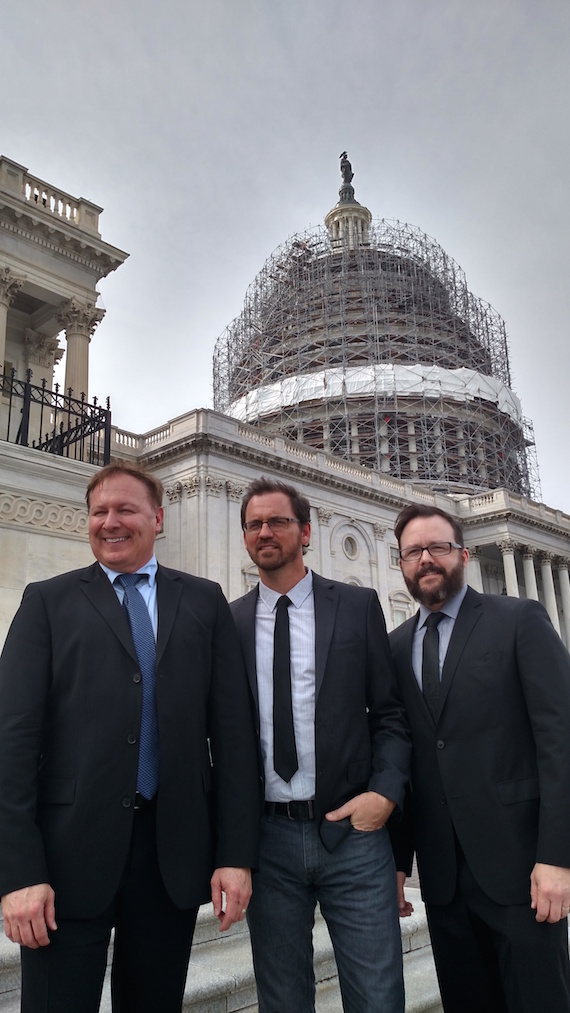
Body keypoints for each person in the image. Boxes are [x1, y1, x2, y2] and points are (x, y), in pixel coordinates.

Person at [0, 462, 260, 1013]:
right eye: (99, 512)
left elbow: (233, 738)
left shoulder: (204, 602)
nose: (110, 522)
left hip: (171, 858)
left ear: (157, 519)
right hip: (66, 860)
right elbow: (12, 743)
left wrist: (236, 855)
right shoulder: (47, 602)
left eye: (125, 510)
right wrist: (18, 872)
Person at [230, 477, 410, 1013]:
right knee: (282, 1001)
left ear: (305, 532)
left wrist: (384, 794)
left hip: (351, 833)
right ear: (244, 536)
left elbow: (391, 715)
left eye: (278, 521)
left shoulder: (357, 606)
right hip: (268, 840)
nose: (266, 532)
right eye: (254, 524)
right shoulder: (230, 621)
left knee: (377, 999)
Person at [389, 502, 570, 1013]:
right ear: (400, 563)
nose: (426, 559)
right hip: (443, 880)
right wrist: (398, 863)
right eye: (413, 551)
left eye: (438, 547)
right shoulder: (396, 647)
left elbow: (560, 741)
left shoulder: (519, 620)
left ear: (463, 555)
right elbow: (401, 758)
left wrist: (557, 857)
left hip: (522, 871)